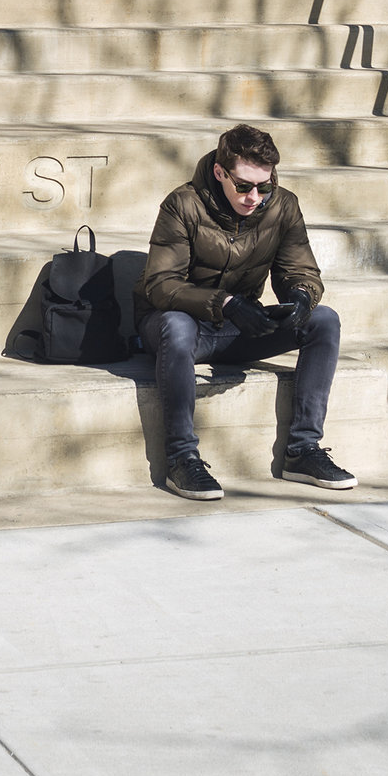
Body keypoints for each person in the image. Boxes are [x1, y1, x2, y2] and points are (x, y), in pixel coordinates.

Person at [134, 124, 357, 500]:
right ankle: (181, 458)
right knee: (177, 325)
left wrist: (301, 297)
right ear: (221, 173)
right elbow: (160, 284)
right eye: (243, 186)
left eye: (264, 186)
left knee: (324, 320)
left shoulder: (283, 205)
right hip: (176, 327)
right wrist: (223, 302)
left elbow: (301, 271)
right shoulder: (182, 204)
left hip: (240, 327)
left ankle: (302, 451)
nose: (255, 197)